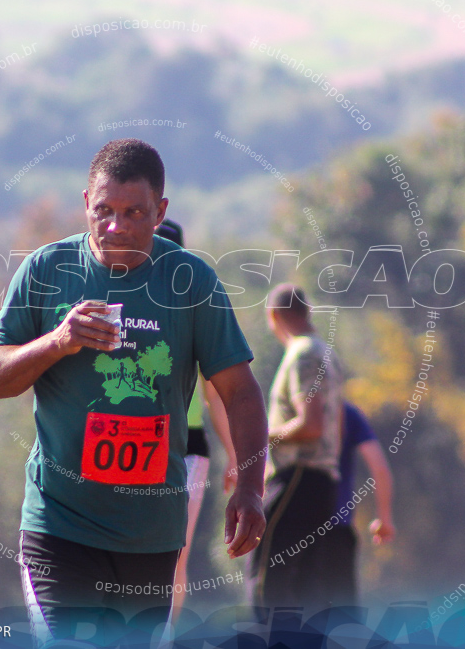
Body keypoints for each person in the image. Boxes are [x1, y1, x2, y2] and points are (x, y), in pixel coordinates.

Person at [0, 138, 268, 645]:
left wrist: (250, 488)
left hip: (151, 534)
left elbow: (240, 391)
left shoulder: (190, 281)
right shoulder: (48, 271)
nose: (115, 225)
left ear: (161, 212)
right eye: (103, 210)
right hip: (59, 526)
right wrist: (57, 342)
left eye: (134, 212)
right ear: (86, 203)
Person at [153, 219, 238, 624]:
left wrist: (237, 455)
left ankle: (163, 637)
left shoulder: (194, 313)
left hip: (189, 450)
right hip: (132, 444)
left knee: (177, 552)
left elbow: (217, 393)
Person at [250, 283, 343, 612]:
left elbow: (311, 425)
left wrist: (262, 438)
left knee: (267, 577)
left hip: (298, 476)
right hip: (321, 480)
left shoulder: (302, 354)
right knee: (304, 583)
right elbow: (335, 425)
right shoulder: (324, 353)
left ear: (273, 316)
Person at [326, 401, 396, 605]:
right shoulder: (346, 412)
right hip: (339, 531)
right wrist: (384, 519)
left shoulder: (288, 413)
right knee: (342, 615)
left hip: (296, 529)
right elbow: (380, 468)